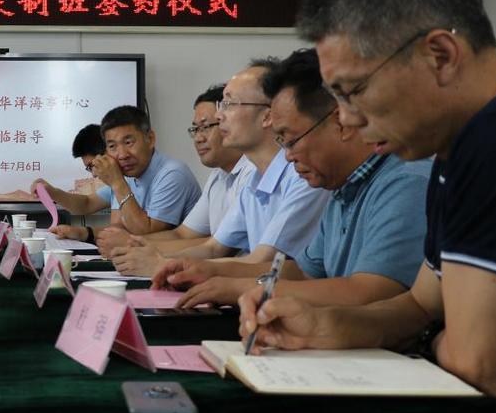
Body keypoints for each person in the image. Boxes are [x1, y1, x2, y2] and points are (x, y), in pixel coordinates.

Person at [239, 0, 496, 401]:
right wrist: (328, 325)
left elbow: (482, 369)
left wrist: (429, 342)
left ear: (440, 55)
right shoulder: (454, 149)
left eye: (354, 92)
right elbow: (419, 305)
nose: (348, 119)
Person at [166, 48, 429, 309]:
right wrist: (211, 272)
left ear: (341, 122)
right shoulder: (341, 187)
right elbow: (303, 272)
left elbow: (370, 292)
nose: (288, 156)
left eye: (291, 140)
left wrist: (241, 288)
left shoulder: (405, 183)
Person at [149, 60, 330, 276]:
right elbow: (214, 248)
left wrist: (165, 265)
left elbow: (263, 261)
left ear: (267, 116)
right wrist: (159, 261)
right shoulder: (254, 178)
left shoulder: (302, 175)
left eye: (229, 104)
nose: (219, 116)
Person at [106, 84, 253, 274]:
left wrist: (143, 251)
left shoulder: (252, 173)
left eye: (205, 127)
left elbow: (217, 248)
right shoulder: (218, 175)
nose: (198, 138)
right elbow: (182, 234)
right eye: (195, 129)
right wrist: (136, 247)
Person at [35, 106, 201, 243]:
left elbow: (146, 234)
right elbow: (88, 204)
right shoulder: (129, 174)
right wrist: (53, 193)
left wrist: (117, 182)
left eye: (128, 142)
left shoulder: (172, 174)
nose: (122, 155)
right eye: (113, 146)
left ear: (150, 139)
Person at [43, 123, 107, 244]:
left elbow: (131, 232)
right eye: (89, 168)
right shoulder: (117, 185)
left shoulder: (130, 182)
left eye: (92, 165)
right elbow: (87, 203)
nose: (93, 175)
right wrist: (52, 192)